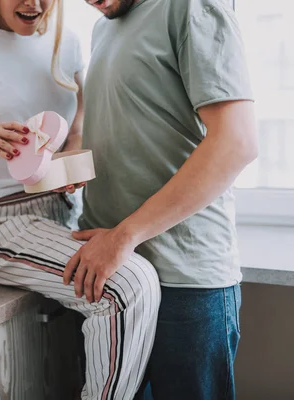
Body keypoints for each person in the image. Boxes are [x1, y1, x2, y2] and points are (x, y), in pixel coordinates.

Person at [0, 0, 160, 398]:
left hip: (63, 212)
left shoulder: (67, 43)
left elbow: (77, 127)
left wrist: (68, 164)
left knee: (137, 278)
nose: (34, 3)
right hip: (1, 222)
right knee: (125, 286)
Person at [69, 0, 258, 398]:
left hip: (183, 283)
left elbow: (236, 142)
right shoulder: (103, 27)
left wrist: (123, 236)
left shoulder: (190, 5)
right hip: (113, 283)